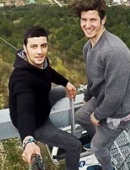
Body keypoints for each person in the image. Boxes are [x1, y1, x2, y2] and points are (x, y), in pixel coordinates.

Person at [71, 0, 130, 170]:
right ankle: (100, 137)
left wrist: (97, 115)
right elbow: (93, 79)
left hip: (120, 112)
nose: (87, 25)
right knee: (80, 117)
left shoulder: (115, 52)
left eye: (93, 19)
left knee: (97, 148)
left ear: (103, 19)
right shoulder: (89, 47)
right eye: (83, 20)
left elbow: (116, 97)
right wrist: (87, 96)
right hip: (102, 99)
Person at [8, 26, 82, 170]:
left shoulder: (40, 63)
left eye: (43, 45)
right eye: (34, 46)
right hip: (37, 123)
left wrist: (66, 83)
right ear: (25, 48)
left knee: (61, 90)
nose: (40, 51)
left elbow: (49, 72)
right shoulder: (22, 80)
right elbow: (25, 110)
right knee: (75, 145)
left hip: (42, 101)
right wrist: (28, 140)